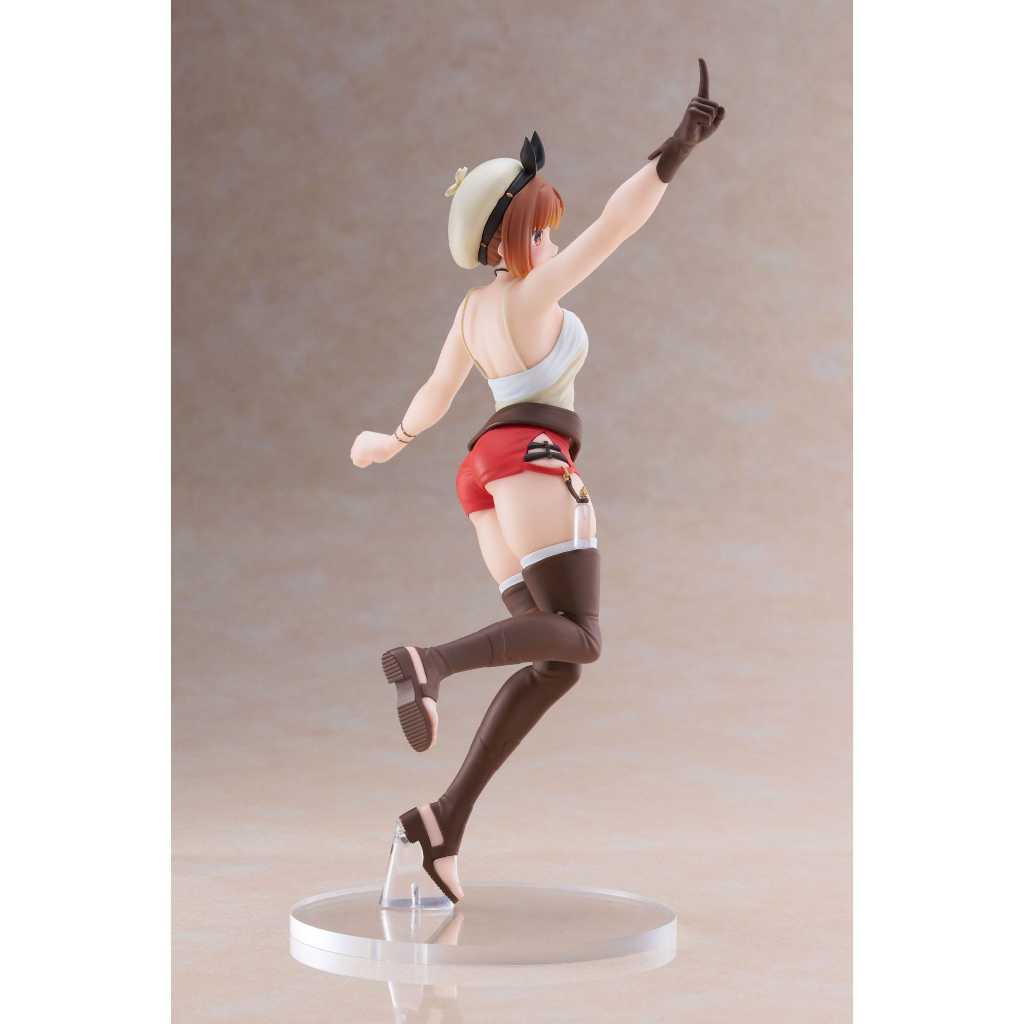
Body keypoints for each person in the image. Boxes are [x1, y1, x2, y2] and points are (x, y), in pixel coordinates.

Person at [351, 60, 725, 903]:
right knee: (581, 636)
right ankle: (432, 663)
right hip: (532, 462)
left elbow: (436, 394)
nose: (553, 240)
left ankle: (443, 822)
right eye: (541, 227)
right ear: (511, 239)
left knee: (553, 659)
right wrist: (676, 148)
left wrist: (390, 441)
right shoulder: (532, 293)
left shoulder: (472, 311)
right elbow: (616, 227)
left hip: (481, 475)